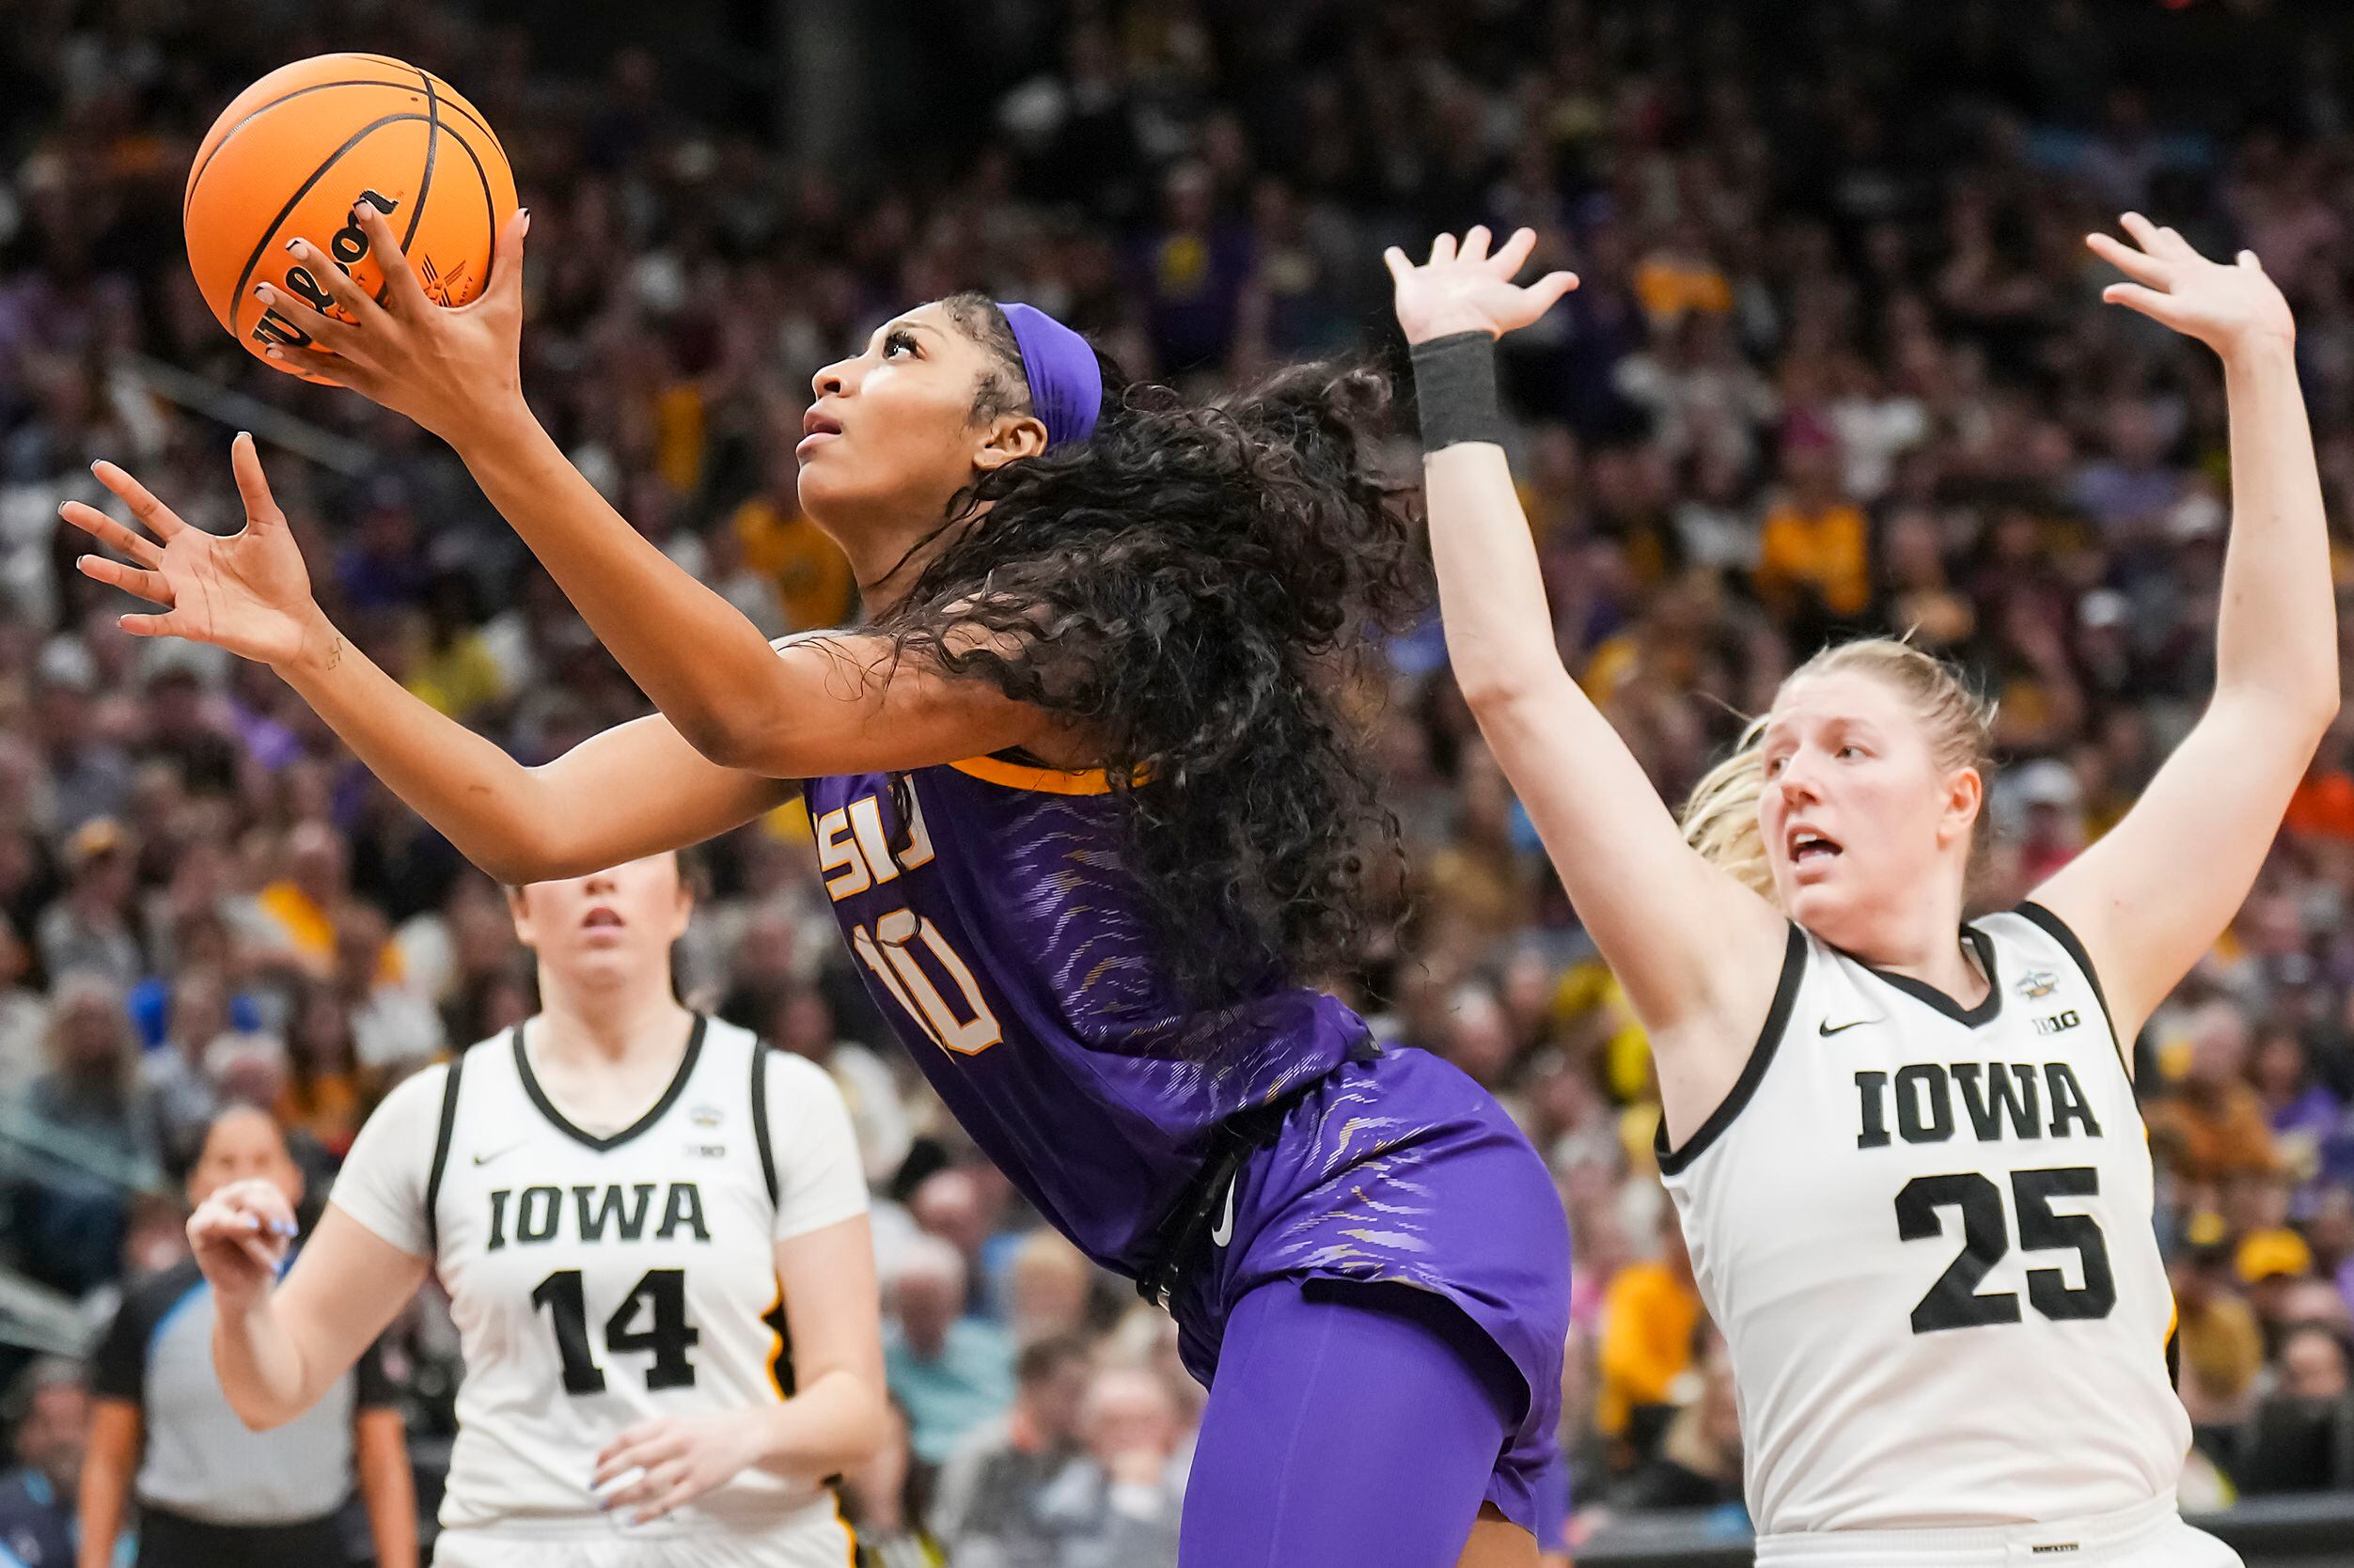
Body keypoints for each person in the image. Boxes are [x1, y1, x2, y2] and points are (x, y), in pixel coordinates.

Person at [69, 199, 1573, 1566]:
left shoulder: (1079, 626)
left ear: (1005, 443)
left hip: (1356, 1198)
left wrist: (492, 422)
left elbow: (750, 712)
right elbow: (529, 822)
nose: (831, 377)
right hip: (1244, 1264)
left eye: (896, 350)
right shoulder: (842, 697)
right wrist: (311, 649)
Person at [1393, 215, 2331, 1563]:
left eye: (1844, 750)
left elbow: (2277, 699)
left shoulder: (2076, 965)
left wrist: (2262, 359)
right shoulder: (1730, 989)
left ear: (1960, 799)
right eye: (1776, 757)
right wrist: (1456, 369)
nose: (1793, 783)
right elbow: (1517, 689)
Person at [173, 852, 886, 1568]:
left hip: (744, 1536)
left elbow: (855, 1409)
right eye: (571, 858)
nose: (600, 878)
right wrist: (241, 1303)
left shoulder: (782, 1097)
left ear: (683, 902)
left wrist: (747, 1435)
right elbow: (272, 1391)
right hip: (520, 1539)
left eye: (635, 853)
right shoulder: (435, 1114)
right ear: (519, 910)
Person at [79, 1105, 415, 1568]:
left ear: (294, 1181)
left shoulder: (340, 1301)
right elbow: (108, 1458)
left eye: (262, 1162)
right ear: (195, 1184)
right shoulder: (146, 1305)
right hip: (181, 1543)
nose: (245, 1180)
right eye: (226, 1163)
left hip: (310, 1543)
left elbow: (382, 1457)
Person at [0, 1359, 85, 1568]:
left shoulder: (132, 1511)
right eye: (47, 1425)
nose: (64, 1439)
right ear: (21, 1434)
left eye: (78, 1423)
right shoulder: (6, 1510)